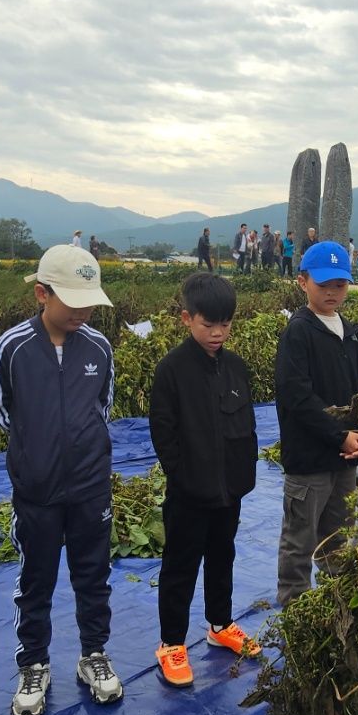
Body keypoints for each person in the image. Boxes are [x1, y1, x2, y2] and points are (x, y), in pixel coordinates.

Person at [0, 245, 122, 715]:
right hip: (37, 490)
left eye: (89, 303)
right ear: (42, 293)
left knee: (93, 573)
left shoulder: (98, 347)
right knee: (35, 579)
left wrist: (81, 448)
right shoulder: (14, 347)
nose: (82, 312)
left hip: (90, 486)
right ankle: (34, 663)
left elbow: (102, 408)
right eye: (72, 302)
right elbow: (2, 412)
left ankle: (94, 654)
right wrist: (35, 452)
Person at [148, 273, 260, 688]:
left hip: (229, 489)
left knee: (222, 556)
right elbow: (163, 431)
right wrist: (182, 475)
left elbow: (246, 425)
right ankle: (172, 643)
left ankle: (220, 624)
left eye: (225, 324)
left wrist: (242, 474)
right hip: (189, 492)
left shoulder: (235, 367)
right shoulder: (171, 370)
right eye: (207, 324)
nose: (217, 333)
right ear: (186, 319)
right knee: (180, 565)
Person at [274, 241, 358, 605]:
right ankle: (294, 612)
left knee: (340, 539)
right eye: (324, 285)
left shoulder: (350, 332)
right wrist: (339, 436)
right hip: (310, 460)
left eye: (340, 285)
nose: (333, 292)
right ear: (303, 282)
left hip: (345, 460)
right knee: (300, 542)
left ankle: (335, 607)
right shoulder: (298, 333)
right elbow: (297, 398)